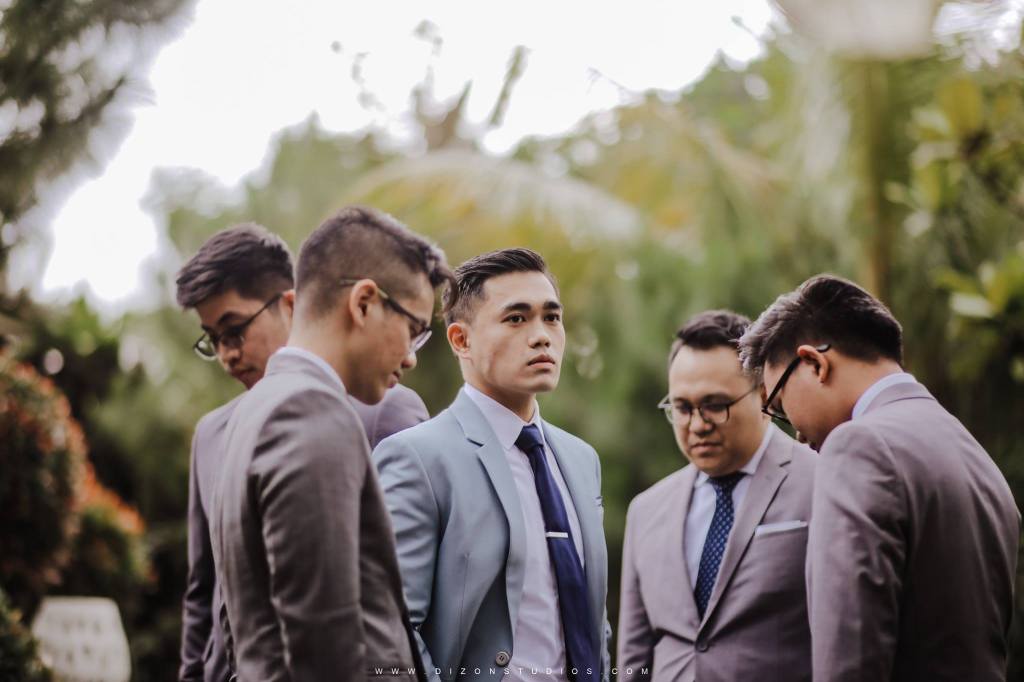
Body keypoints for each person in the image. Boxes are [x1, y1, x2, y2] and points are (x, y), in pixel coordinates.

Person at [175, 224, 429, 682]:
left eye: (235, 330)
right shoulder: (266, 419)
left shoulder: (376, 409)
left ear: (290, 305)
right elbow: (211, 592)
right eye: (214, 338)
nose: (227, 354)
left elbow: (406, 586)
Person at [738, 274, 1020, 682]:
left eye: (780, 405)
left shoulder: (858, 446)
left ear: (814, 363)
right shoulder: (974, 455)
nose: (795, 433)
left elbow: (849, 659)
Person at [373, 248, 610, 682]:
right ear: (461, 340)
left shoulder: (581, 459)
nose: (541, 336)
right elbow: (392, 631)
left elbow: (594, 622)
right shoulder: (417, 458)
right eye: (516, 318)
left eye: (552, 317)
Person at [616, 311, 815, 682]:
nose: (697, 424)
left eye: (715, 405)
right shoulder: (646, 510)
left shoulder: (822, 482)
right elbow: (634, 656)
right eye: (682, 408)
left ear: (764, 396)